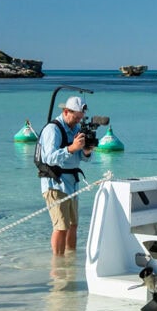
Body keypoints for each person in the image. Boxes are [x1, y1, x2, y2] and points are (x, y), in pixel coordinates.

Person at [37, 96, 94, 256]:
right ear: (65, 111)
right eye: (75, 117)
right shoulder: (52, 129)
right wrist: (71, 148)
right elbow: (49, 157)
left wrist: (87, 152)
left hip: (73, 184)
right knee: (61, 227)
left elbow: (82, 158)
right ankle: (58, 264)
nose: (78, 121)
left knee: (73, 225)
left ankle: (70, 263)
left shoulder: (76, 129)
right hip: (55, 183)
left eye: (80, 118)